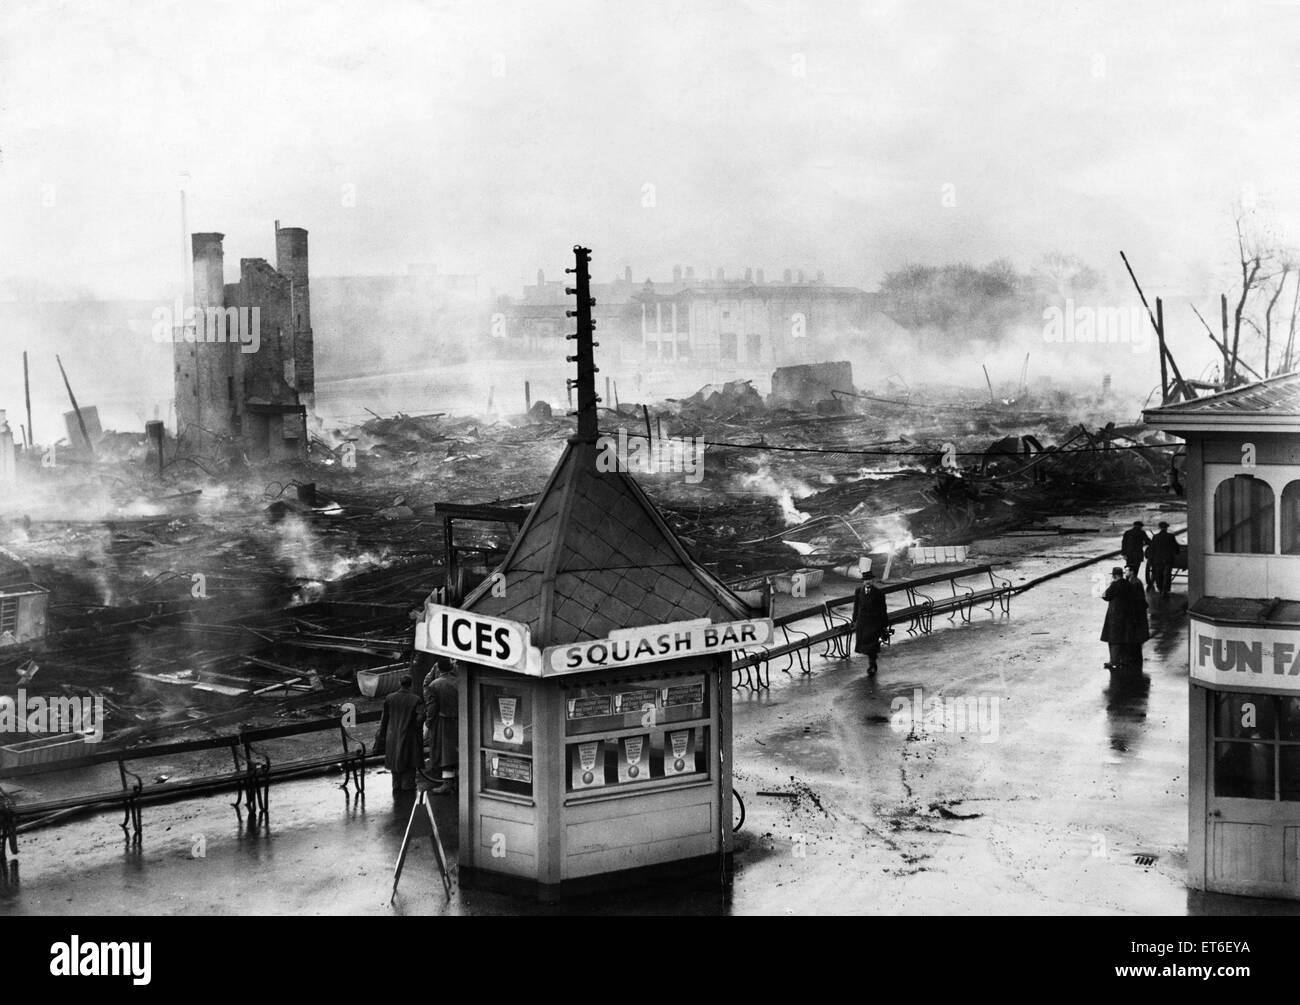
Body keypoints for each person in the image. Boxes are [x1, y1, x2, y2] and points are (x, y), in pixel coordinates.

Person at [376, 674, 424, 796]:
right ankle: (407, 787)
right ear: (411, 685)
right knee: (409, 762)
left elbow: (384, 719)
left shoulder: (389, 698)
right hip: (409, 736)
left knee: (395, 761)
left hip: (392, 735)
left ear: (399, 683)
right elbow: (420, 719)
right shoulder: (416, 699)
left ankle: (396, 785)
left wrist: (382, 735)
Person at [422, 659, 459, 795]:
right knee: (457, 751)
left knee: (445, 753)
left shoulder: (434, 685)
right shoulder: (459, 681)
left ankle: (447, 784)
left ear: (439, 669)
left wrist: (428, 723)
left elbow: (431, 709)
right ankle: (459, 781)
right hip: (460, 720)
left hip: (443, 722)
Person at [852, 569, 889, 675]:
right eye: (865, 580)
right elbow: (856, 606)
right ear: (863, 581)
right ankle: (872, 661)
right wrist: (854, 620)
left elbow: (883, 609)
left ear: (873, 580)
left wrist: (884, 624)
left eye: (869, 579)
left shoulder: (879, 593)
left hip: (874, 622)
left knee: (872, 644)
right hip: (862, 622)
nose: (867, 581)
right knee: (865, 644)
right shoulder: (859, 591)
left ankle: (872, 664)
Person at [1099, 567, 1129, 670]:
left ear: (1114, 576)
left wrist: (1110, 585)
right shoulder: (1127, 584)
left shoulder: (1115, 585)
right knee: (1123, 638)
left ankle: (1114, 661)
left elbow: (1105, 596)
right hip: (1126, 615)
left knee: (1113, 639)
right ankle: (1122, 660)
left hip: (1115, 615)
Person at [1124, 565, 1150, 671]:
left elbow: (1134, 599)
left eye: (1127, 571)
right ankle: (1135, 658)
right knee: (1137, 637)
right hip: (1139, 612)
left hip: (1136, 613)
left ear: (1132, 572)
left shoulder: (1133, 583)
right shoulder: (1135, 581)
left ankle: (1134, 660)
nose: (1125, 573)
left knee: (1135, 636)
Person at [1147, 521, 1178, 598]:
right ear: (1167, 528)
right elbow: (1175, 547)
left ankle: (1160, 589)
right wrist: (1176, 552)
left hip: (1158, 559)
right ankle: (1165, 590)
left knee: (1159, 574)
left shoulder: (1155, 537)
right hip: (1168, 559)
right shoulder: (1171, 536)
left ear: (1160, 528)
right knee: (1167, 575)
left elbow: (1152, 548)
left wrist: (1151, 558)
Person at [1121, 520, 1149, 587]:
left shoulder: (1128, 532)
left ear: (1134, 525)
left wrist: (1124, 553)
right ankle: (1133, 581)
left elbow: (1124, 543)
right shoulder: (1142, 532)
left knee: (1128, 566)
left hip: (1129, 553)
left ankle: (1127, 581)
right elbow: (1147, 541)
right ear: (1140, 526)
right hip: (1138, 553)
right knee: (1136, 568)